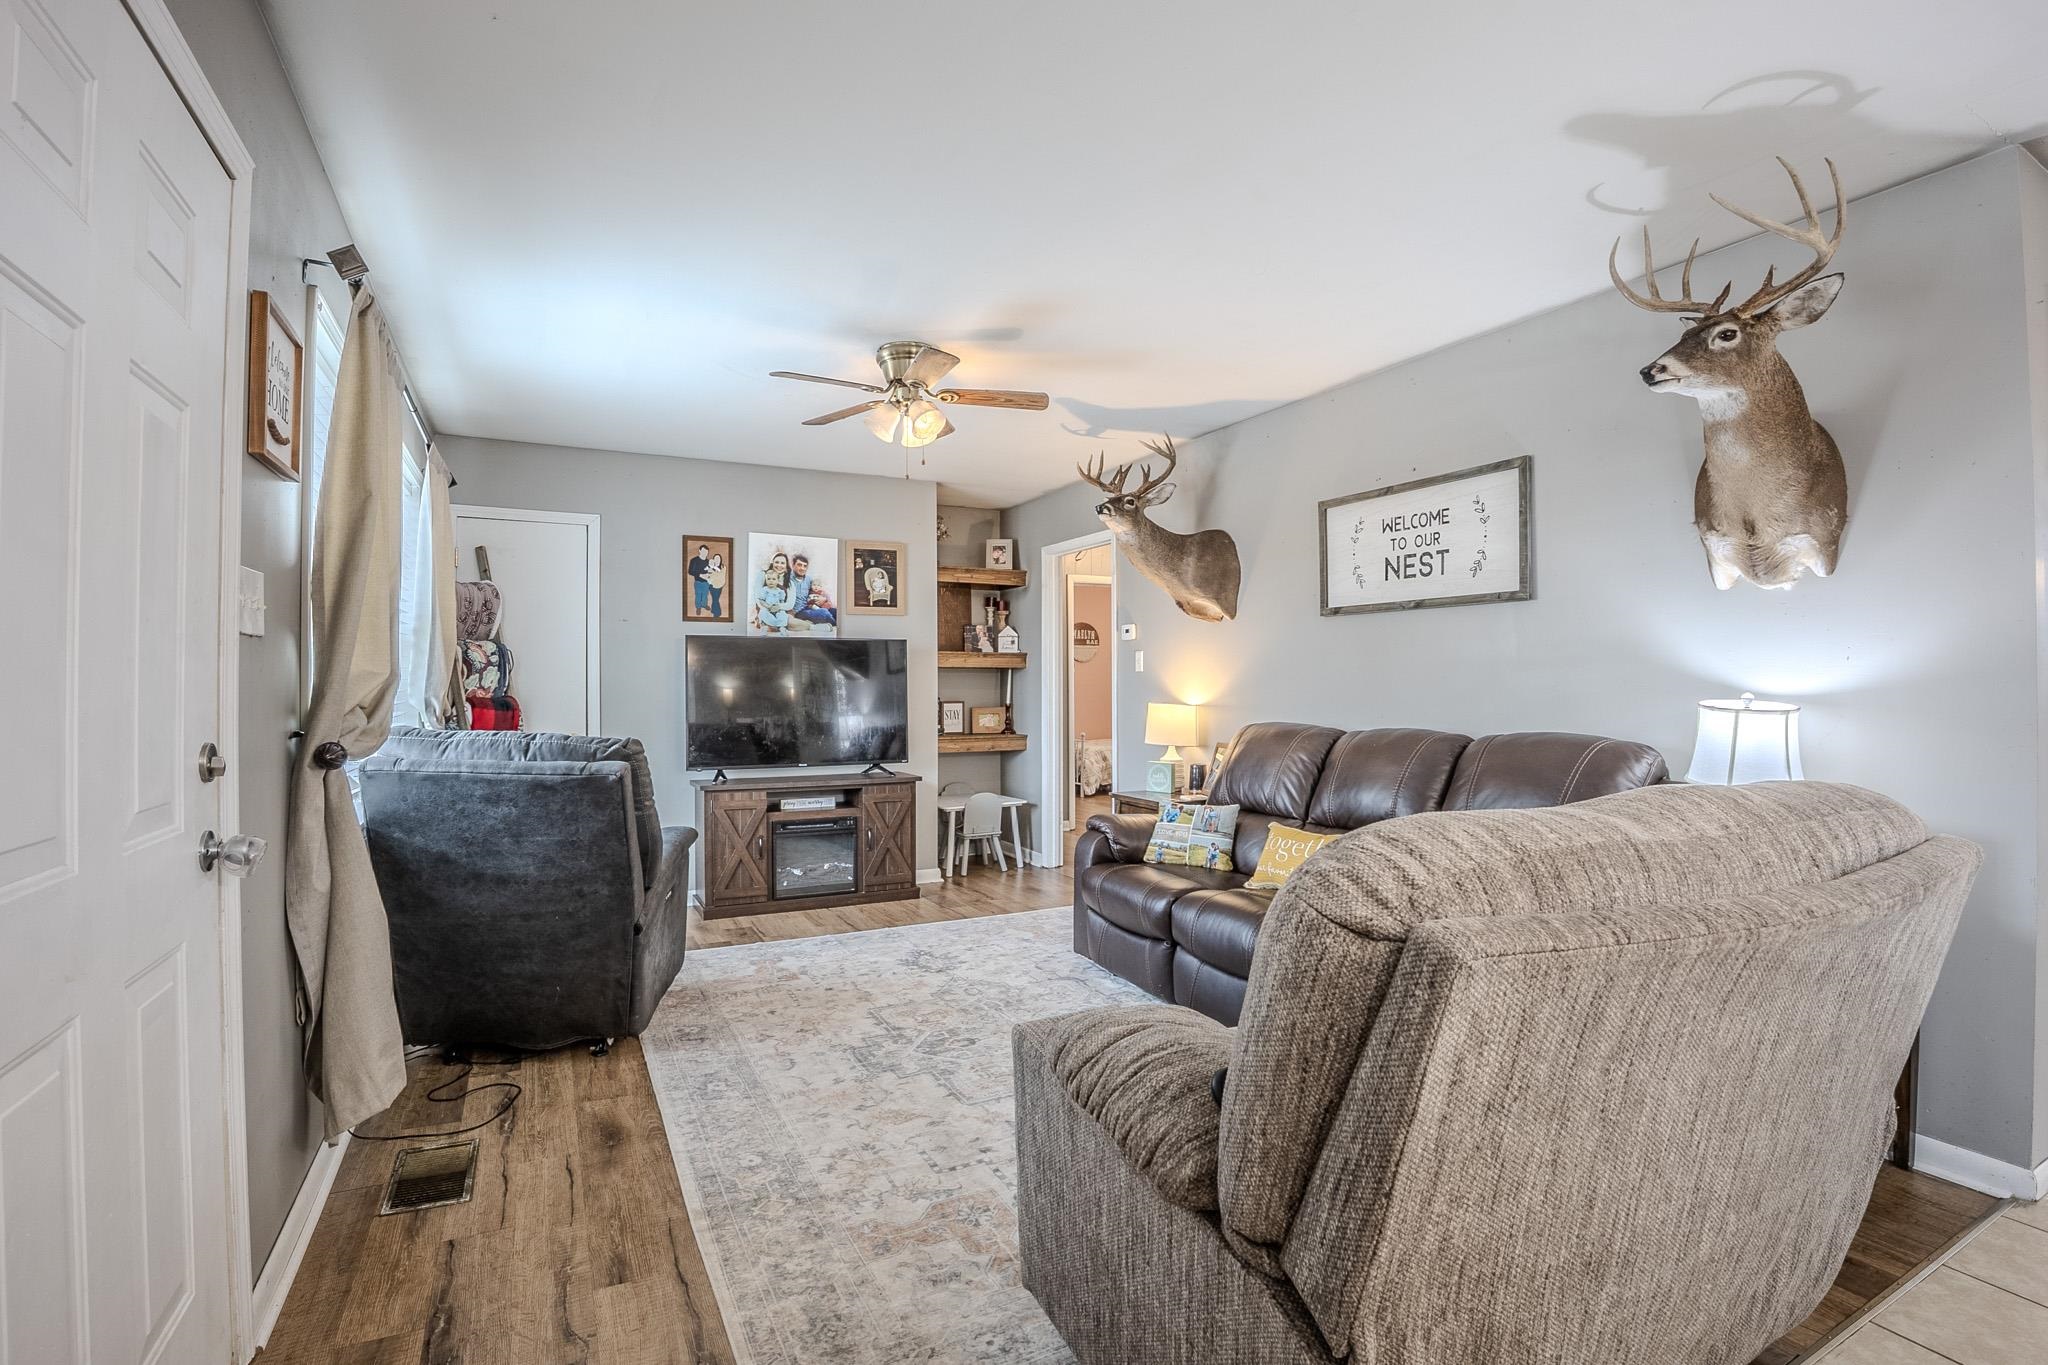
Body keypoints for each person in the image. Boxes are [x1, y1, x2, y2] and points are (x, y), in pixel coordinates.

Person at [786, 552, 837, 628]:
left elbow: (818, 590)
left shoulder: (808, 579)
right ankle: (835, 625)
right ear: (793, 565)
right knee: (823, 613)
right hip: (798, 611)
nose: (802, 568)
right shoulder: (788, 579)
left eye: (805, 566)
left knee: (835, 611)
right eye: (799, 565)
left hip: (810, 607)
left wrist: (824, 598)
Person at [756, 552, 793, 633]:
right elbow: (758, 598)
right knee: (767, 622)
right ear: (772, 563)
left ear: (786, 566)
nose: (779, 565)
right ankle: (769, 626)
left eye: (782, 563)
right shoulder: (764, 575)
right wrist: (767, 607)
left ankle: (815, 627)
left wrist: (778, 607)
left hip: (780, 609)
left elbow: (790, 604)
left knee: (787, 620)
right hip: (765, 607)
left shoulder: (789, 582)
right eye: (776, 562)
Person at [687, 543, 712, 616]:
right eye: (704, 551)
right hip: (698, 582)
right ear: (700, 551)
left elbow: (711, 571)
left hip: (706, 583)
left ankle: (704, 605)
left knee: (705, 595)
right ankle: (698, 607)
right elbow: (690, 571)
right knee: (698, 595)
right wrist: (700, 575)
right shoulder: (694, 560)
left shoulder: (708, 562)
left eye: (706, 552)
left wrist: (709, 576)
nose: (705, 553)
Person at [704, 551, 726, 618]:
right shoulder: (711, 567)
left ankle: (715, 612)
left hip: (719, 586)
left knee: (715, 599)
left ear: (720, 560)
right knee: (715, 599)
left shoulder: (723, 567)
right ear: (714, 560)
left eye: (718, 559)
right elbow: (708, 575)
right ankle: (715, 612)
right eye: (716, 559)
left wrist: (712, 573)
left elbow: (719, 575)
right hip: (712, 586)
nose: (717, 560)